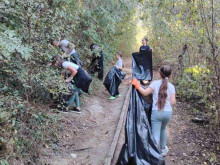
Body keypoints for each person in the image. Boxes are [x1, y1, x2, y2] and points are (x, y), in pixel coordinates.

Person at [131, 65, 176, 156]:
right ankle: (163, 149)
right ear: (170, 75)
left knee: (155, 132)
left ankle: (154, 153)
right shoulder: (171, 86)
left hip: (156, 112)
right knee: (163, 128)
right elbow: (173, 102)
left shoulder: (155, 83)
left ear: (160, 74)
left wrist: (137, 85)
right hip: (167, 113)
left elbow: (144, 93)